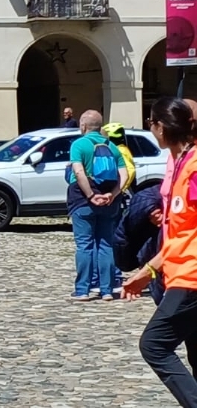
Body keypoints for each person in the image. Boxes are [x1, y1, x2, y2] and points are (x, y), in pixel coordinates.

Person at [121, 97, 197, 405]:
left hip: (191, 278)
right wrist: (148, 271)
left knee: (154, 345)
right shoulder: (179, 163)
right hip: (179, 272)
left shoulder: (193, 167)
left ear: (161, 127)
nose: (150, 129)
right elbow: (178, 234)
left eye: (151, 123)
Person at [67, 110, 127, 302]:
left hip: (83, 201)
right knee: (106, 244)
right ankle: (107, 290)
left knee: (84, 245)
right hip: (110, 201)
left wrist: (91, 195)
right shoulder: (112, 147)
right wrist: (112, 194)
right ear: (100, 127)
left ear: (83, 126)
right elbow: (124, 175)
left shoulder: (79, 144)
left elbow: (78, 171)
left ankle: (83, 289)